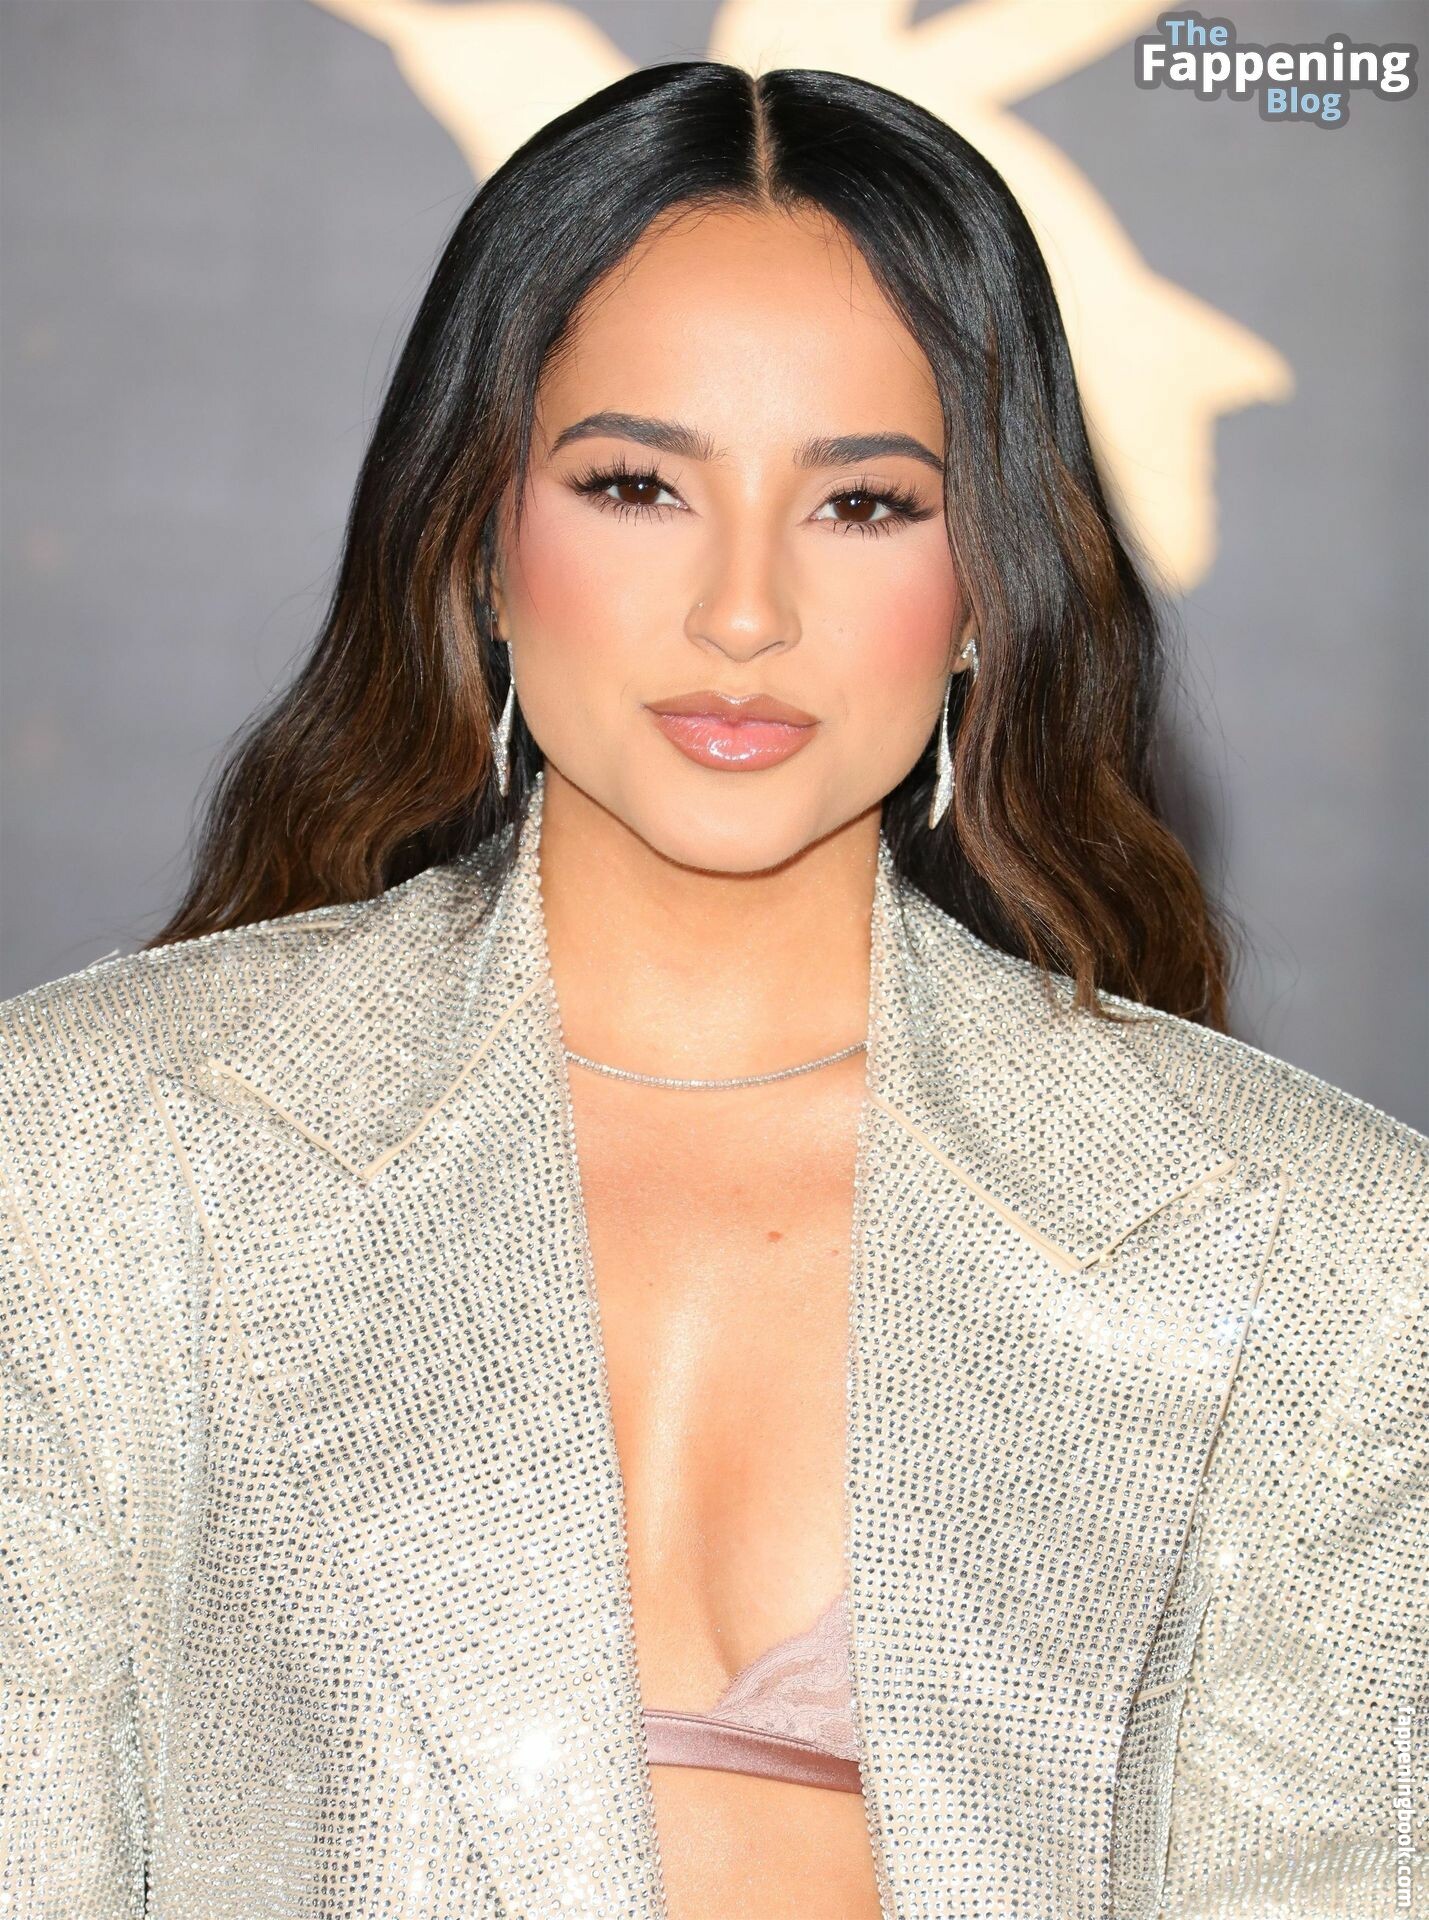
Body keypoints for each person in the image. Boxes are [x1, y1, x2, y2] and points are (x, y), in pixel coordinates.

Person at [0, 58, 1423, 1920]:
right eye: (635, 484)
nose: (741, 612)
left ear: (987, 586)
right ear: (477, 545)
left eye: (863, 506)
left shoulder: (1313, 1255)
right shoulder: (95, 1156)